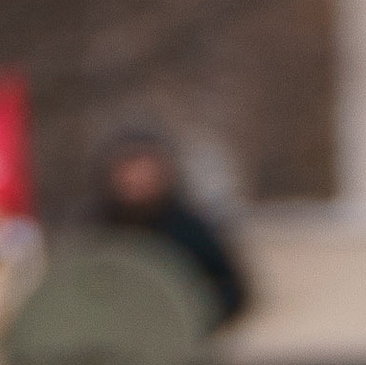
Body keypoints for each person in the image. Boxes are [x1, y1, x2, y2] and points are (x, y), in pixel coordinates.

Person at [87, 124, 250, 329]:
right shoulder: (99, 230)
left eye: (145, 169)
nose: (138, 179)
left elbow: (232, 291)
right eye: (130, 169)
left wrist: (193, 310)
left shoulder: (190, 229)